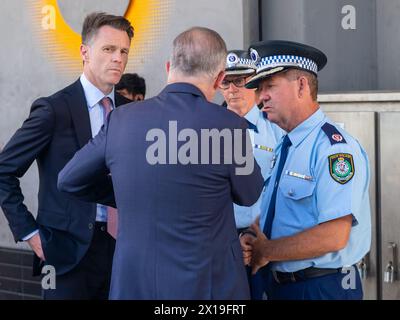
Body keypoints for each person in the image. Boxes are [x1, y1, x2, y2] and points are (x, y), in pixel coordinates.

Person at [57, 26, 264, 299]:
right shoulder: (229, 126)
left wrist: (127, 195)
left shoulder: (121, 120)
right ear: (219, 79)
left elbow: (68, 180)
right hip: (208, 287)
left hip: (135, 285)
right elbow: (249, 194)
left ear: (169, 67)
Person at [0, 12, 133, 299]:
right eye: (108, 49)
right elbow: (3, 171)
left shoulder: (130, 112)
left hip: (123, 252)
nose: (118, 58)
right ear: (84, 52)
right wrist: (30, 234)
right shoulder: (53, 109)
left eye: (124, 51)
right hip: (62, 253)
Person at [240, 40, 371, 300]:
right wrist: (251, 237)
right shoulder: (285, 145)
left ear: (301, 85)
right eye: (260, 88)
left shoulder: (334, 149)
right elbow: (280, 212)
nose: (261, 96)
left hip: (322, 287)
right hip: (280, 285)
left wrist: (266, 251)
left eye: (270, 86)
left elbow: (334, 236)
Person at [219, 50, 283, 299]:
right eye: (226, 81)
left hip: (265, 239)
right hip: (220, 241)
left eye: (241, 80)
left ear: (254, 82)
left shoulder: (276, 127)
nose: (232, 89)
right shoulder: (206, 129)